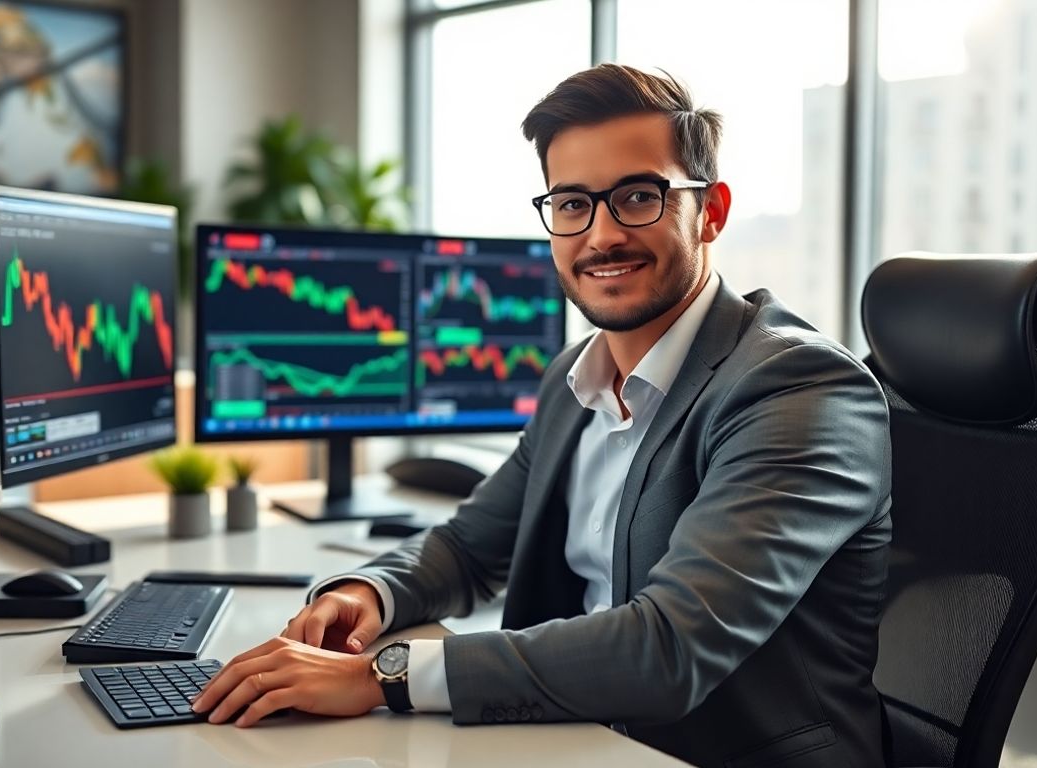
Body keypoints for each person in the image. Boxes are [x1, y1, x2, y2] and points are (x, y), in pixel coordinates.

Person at [192, 63, 893, 768]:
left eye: (638, 197)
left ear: (710, 210)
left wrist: (387, 675)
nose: (601, 235)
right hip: (573, 742)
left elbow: (670, 649)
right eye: (572, 204)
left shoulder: (798, 388)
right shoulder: (575, 376)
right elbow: (470, 547)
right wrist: (367, 593)